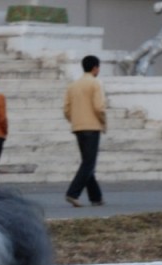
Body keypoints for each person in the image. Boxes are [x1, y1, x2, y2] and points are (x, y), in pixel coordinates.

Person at [63, 55, 106, 208]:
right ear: (95, 67)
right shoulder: (95, 83)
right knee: (89, 163)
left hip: (78, 127)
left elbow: (66, 109)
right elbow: (99, 107)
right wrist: (103, 121)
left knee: (87, 162)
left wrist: (74, 120)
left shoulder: (73, 85)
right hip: (92, 127)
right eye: (98, 67)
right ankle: (73, 193)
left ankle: (96, 196)